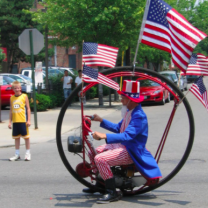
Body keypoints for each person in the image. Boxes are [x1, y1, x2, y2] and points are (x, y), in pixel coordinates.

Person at [83, 80, 162, 204]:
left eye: (123, 98)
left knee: (100, 159)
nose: (121, 100)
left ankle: (111, 192)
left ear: (131, 100)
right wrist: (101, 120)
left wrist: (104, 136)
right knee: (94, 151)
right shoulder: (130, 112)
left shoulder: (139, 116)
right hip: (124, 146)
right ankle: (101, 183)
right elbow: (118, 128)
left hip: (131, 151)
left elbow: (127, 136)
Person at [8, 81, 31, 161]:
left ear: (20, 88)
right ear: (13, 89)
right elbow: (11, 110)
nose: (17, 89)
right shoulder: (12, 98)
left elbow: (28, 108)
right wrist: (10, 122)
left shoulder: (24, 96)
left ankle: (28, 153)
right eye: (15, 88)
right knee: (16, 138)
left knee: (26, 137)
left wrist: (28, 120)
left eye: (18, 88)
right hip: (15, 121)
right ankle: (17, 154)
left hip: (23, 121)